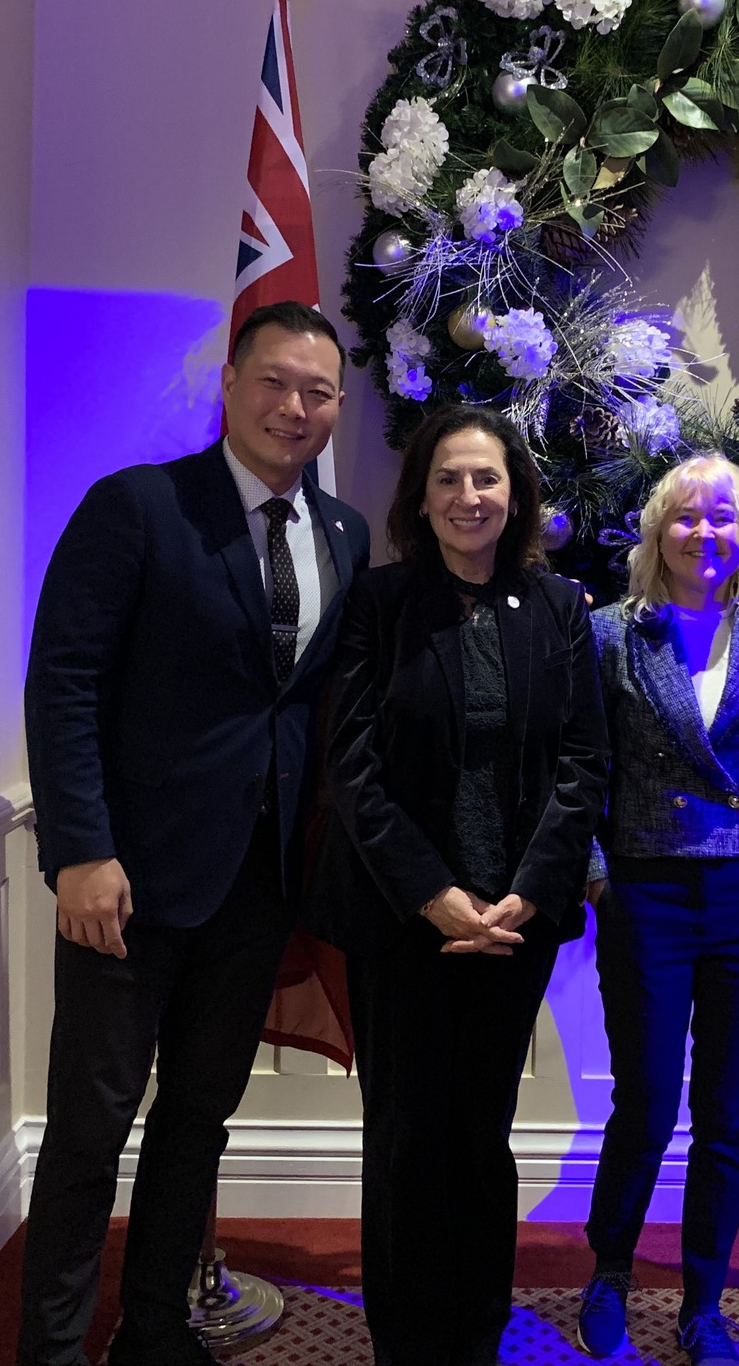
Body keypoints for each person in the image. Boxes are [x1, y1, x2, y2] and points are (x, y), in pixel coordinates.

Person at [19, 301, 370, 1366]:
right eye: (274, 382)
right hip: (125, 885)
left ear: (336, 408)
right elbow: (64, 683)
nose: (293, 407)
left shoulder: (344, 533)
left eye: (317, 392)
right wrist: (81, 851)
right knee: (89, 1133)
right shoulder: (137, 506)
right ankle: (50, 1351)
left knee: (196, 1124)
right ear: (228, 384)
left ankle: (155, 1330)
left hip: (259, 887)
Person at [312, 403, 609, 1366]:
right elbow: (352, 766)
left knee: (482, 1134)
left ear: (515, 494)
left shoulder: (559, 607)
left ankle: (476, 1334)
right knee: (405, 1136)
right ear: (421, 497)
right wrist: (432, 893)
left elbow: (582, 762)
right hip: (404, 919)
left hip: (514, 922)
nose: (468, 496)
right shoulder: (380, 602)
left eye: (486, 478)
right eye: (448, 478)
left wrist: (531, 888)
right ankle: (405, 1340)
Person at [576, 456, 739, 1366]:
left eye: (722, 516)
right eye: (685, 515)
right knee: (645, 1103)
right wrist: (598, 877)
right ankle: (609, 1273)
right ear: (656, 531)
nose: (703, 532)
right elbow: (581, 768)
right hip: (646, 890)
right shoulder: (611, 633)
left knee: (726, 1111)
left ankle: (704, 1305)